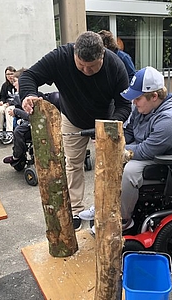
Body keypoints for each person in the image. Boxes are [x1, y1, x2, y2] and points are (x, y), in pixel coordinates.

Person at [19, 31, 131, 231]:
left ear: (102, 55)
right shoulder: (60, 57)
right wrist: (28, 95)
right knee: (73, 164)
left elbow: (124, 105)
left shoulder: (115, 66)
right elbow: (29, 76)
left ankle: (105, 209)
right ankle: (77, 209)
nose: (86, 71)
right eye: (81, 65)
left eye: (92, 67)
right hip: (72, 118)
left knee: (109, 167)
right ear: (74, 54)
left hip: (105, 120)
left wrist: (109, 125)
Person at [80, 66, 172, 234]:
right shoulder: (143, 109)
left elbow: (145, 151)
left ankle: (124, 219)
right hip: (157, 154)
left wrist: (112, 150)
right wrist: (110, 142)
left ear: (154, 96)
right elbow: (128, 132)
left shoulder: (170, 120)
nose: (133, 102)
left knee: (130, 171)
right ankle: (103, 207)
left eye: (138, 98)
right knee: (112, 159)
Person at [3, 69, 60, 166]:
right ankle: (18, 153)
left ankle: (17, 156)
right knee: (18, 127)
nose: (14, 84)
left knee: (18, 131)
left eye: (15, 81)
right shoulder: (19, 98)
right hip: (30, 123)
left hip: (41, 125)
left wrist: (16, 111)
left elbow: (33, 118)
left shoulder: (36, 97)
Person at [0, 66, 17, 144]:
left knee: (9, 110)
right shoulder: (5, 85)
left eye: (11, 74)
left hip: (15, 104)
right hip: (6, 103)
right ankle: (0, 131)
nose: (9, 76)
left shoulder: (18, 83)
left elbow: (19, 97)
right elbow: (2, 97)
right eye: (7, 74)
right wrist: (1, 101)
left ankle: (9, 132)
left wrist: (9, 103)